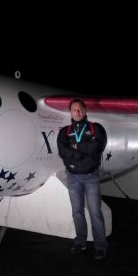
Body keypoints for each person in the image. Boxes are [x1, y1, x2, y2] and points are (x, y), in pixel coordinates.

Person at [57, 98, 108, 260]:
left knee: (95, 212)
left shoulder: (95, 128)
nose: (77, 113)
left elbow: (97, 147)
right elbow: (62, 151)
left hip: (91, 177)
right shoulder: (65, 131)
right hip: (73, 177)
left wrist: (77, 147)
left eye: (80, 110)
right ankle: (80, 242)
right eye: (74, 110)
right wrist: (83, 153)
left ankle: (100, 246)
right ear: (70, 112)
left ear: (85, 111)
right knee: (77, 212)